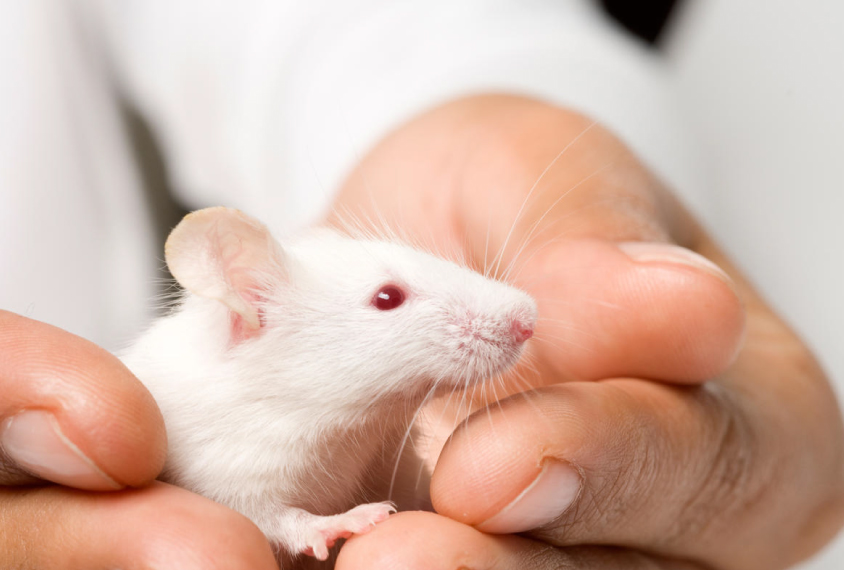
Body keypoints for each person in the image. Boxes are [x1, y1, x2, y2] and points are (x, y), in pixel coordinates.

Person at [1, 1, 843, 569]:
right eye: (388, 300)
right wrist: (302, 525)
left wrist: (474, 108)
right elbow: (228, 497)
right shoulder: (209, 392)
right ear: (249, 313)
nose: (513, 314)